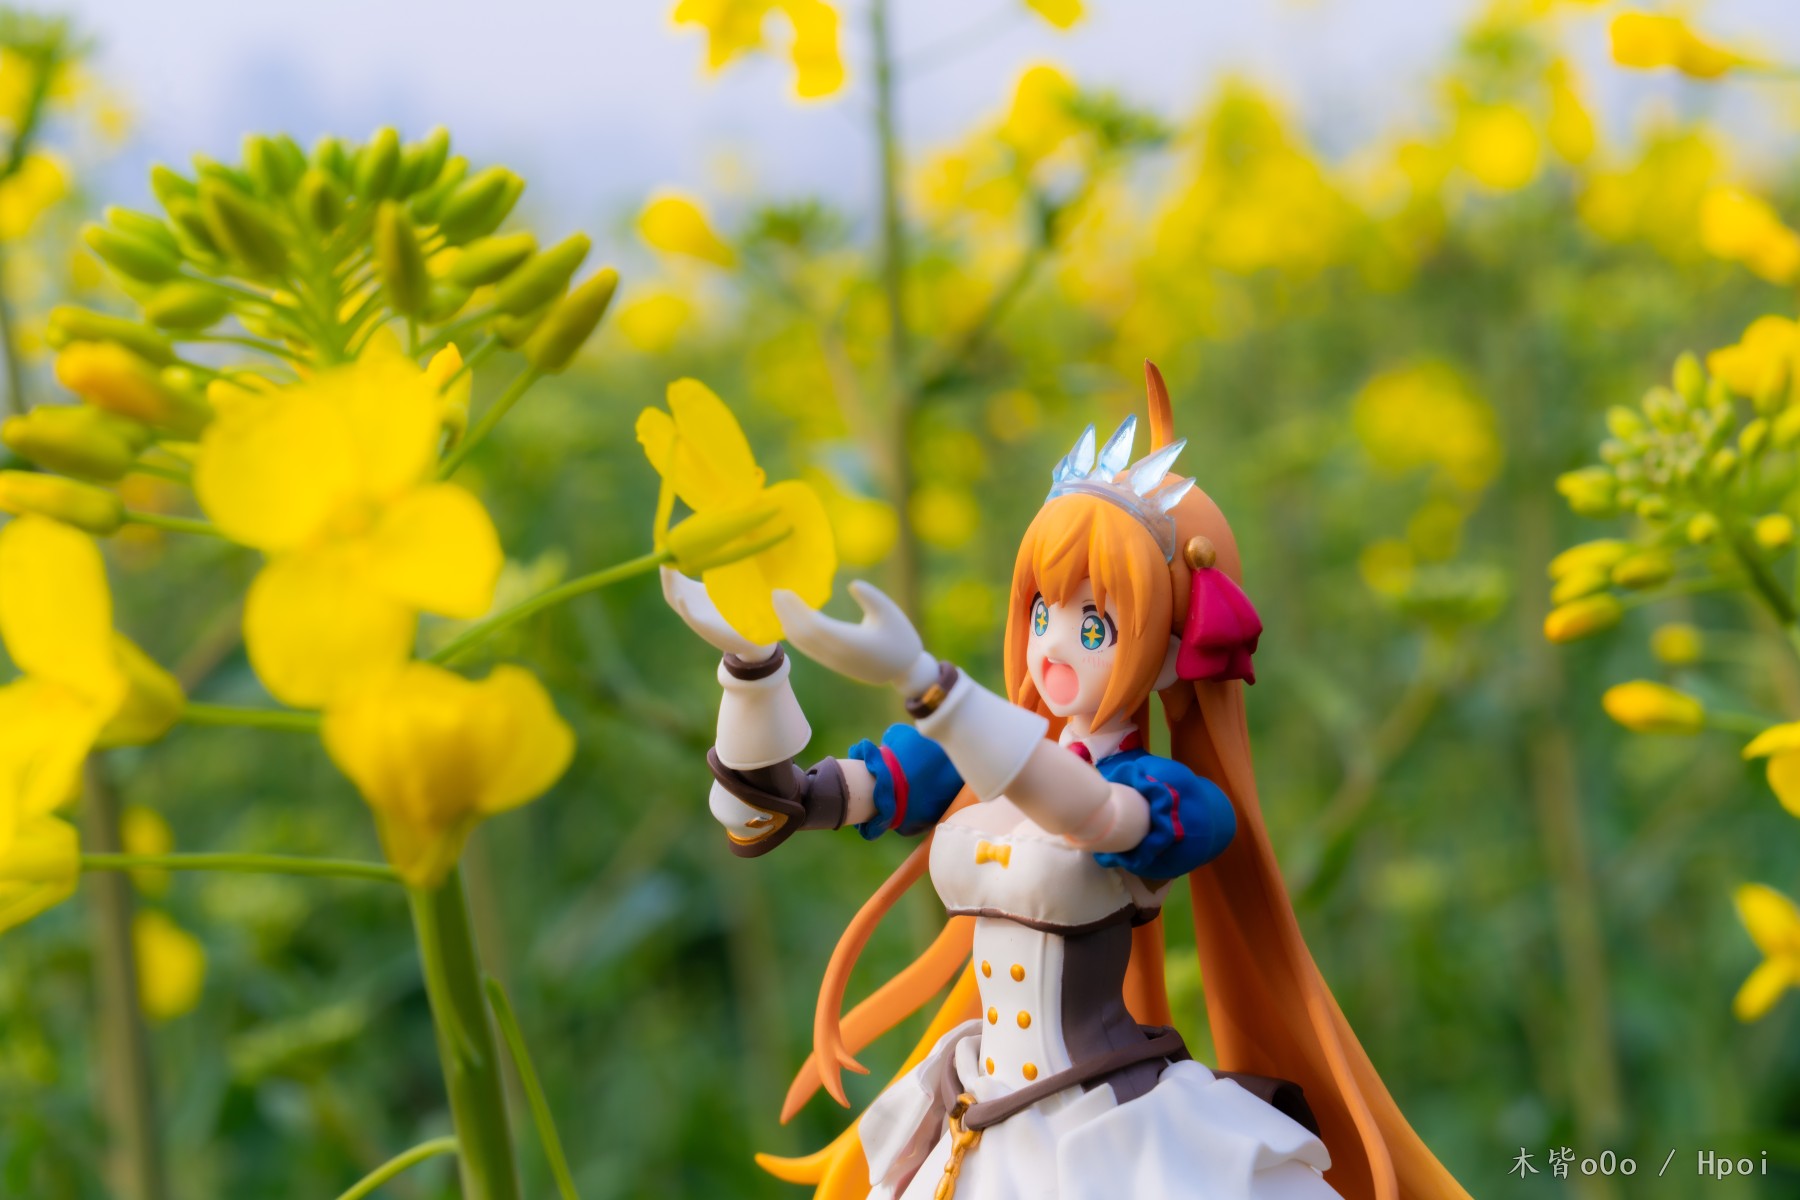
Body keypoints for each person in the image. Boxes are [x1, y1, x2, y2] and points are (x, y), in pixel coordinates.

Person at [662, 363, 1473, 1200]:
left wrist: (934, 689)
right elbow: (769, 811)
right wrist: (751, 667)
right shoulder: (968, 760)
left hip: (1112, 1132)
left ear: (1166, 650)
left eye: (1094, 625)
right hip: (980, 1114)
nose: (1050, 645)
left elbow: (1089, 815)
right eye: (1042, 611)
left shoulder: (1168, 798)